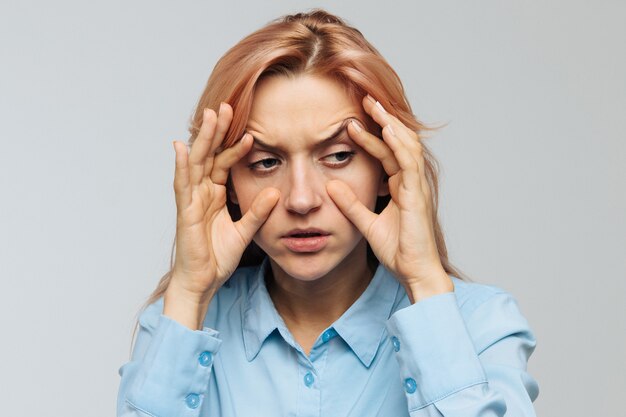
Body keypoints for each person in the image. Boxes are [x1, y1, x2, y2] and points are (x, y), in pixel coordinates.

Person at [117, 9, 539, 417]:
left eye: (338, 155)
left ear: (387, 169)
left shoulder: (480, 324)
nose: (301, 200)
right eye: (265, 162)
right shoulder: (177, 325)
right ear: (225, 183)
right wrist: (189, 293)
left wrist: (424, 281)